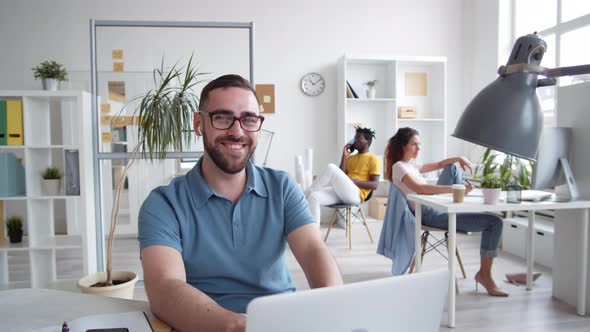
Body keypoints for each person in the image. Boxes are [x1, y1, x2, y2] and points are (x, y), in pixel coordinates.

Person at [138, 74, 343, 332]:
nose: (237, 132)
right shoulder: (164, 203)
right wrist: (241, 327)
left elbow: (314, 252)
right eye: (222, 118)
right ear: (199, 123)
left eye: (248, 119)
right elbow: (165, 288)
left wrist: (336, 309)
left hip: (282, 322)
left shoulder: (281, 187)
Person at [384, 127, 508, 297]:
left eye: (419, 144)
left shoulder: (411, 164)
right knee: (495, 222)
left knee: (451, 167)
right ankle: (484, 276)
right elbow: (420, 188)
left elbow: (441, 164)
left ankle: (460, 201)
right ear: (402, 146)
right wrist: (454, 189)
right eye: (414, 144)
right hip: (429, 214)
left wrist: (459, 158)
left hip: (433, 207)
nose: (419, 148)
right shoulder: (399, 166)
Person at [306, 127, 381, 224]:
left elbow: (374, 185)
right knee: (313, 197)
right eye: (355, 138)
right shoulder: (351, 158)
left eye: (359, 139)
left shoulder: (373, 158)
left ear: (368, 141)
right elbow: (341, 175)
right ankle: (314, 233)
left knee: (331, 167)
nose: (355, 141)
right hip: (343, 193)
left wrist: (351, 180)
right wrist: (344, 155)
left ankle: (305, 194)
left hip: (356, 195)